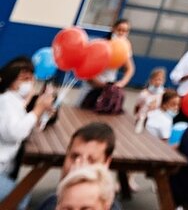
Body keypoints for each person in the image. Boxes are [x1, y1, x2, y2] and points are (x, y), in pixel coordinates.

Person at [0, 56, 56, 202]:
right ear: (11, 80)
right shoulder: (6, 101)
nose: (30, 83)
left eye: (31, 78)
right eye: (24, 78)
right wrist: (37, 110)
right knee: (20, 197)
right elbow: (14, 132)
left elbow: (22, 125)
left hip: (5, 169)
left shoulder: (14, 101)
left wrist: (40, 117)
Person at [35, 122, 119, 210]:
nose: (79, 166)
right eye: (75, 156)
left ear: (106, 163)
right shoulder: (49, 203)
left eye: (91, 160)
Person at [80, 20, 134, 110]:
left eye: (124, 31)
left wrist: (121, 83)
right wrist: (95, 81)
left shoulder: (125, 48)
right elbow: (86, 66)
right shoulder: (101, 43)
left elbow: (130, 69)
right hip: (91, 86)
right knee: (82, 110)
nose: (121, 33)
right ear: (113, 29)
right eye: (119, 29)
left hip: (108, 88)